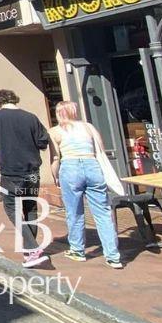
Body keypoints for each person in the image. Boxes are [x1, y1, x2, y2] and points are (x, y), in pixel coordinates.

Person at [49, 101, 123, 269]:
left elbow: (55, 158)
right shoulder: (88, 127)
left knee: (74, 212)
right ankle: (113, 256)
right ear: (74, 111)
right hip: (92, 165)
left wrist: (56, 177)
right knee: (103, 212)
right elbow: (101, 150)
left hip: (70, 167)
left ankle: (77, 250)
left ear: (59, 113)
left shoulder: (55, 131)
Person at [0, 89, 50, 268]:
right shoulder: (31, 117)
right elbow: (43, 142)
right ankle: (30, 251)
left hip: (11, 172)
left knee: (11, 208)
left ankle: (33, 248)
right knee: (30, 207)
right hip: (32, 171)